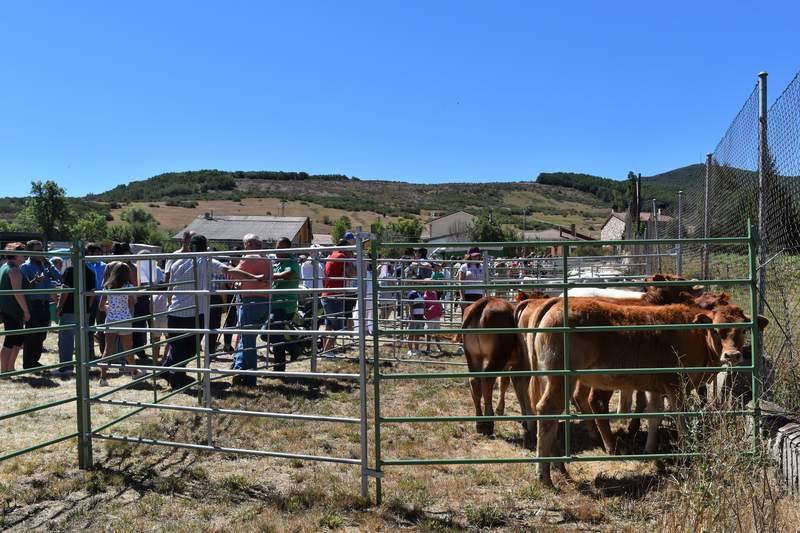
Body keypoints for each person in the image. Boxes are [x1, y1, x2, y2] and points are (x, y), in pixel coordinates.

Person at [166, 234, 263, 389]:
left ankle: (175, 375)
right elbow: (229, 270)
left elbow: (170, 288)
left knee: (179, 348)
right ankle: (169, 372)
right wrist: (254, 277)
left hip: (174, 312)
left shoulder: (177, 262)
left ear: (190, 246)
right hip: (191, 314)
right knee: (189, 350)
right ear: (206, 247)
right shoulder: (206, 261)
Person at [230, 234, 272, 387]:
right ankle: (239, 369)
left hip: (251, 301)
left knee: (248, 341)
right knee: (248, 338)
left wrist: (236, 279)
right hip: (265, 301)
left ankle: (250, 378)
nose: (244, 247)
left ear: (248, 244)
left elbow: (234, 273)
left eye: (244, 244)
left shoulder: (248, 257)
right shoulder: (266, 258)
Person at [20, 240, 61, 370]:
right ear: (30, 252)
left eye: (42, 250)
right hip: (33, 303)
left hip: (45, 303)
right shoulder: (25, 267)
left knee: (42, 334)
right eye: (38, 251)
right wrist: (35, 281)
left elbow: (58, 277)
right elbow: (24, 287)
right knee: (32, 334)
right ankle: (28, 363)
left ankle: (35, 361)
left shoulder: (45, 265)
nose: (41, 253)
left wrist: (49, 264)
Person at [262, 237, 300, 371]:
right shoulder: (277, 263)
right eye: (277, 247)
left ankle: (279, 369)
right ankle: (294, 346)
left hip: (285, 305)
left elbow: (288, 274)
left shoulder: (291, 262)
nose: (278, 250)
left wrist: (271, 276)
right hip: (274, 304)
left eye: (281, 247)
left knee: (271, 334)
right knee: (271, 334)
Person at [98, 262, 140, 386]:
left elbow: (101, 306)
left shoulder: (107, 287)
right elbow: (132, 303)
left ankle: (103, 377)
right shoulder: (128, 287)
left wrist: (109, 308)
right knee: (128, 348)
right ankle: (134, 372)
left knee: (108, 349)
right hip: (124, 320)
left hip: (110, 320)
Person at [54, 259, 96, 376]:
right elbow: (92, 294)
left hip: (69, 310)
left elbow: (66, 290)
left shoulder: (70, 271)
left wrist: (59, 305)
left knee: (66, 339)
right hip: (85, 311)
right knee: (83, 339)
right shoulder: (90, 272)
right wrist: (87, 307)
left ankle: (66, 367)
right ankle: (84, 366)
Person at [321, 239, 356, 355]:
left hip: (327, 294)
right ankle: (327, 351)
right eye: (350, 249)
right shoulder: (341, 256)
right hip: (335, 296)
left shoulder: (332, 255)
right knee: (337, 326)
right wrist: (353, 260)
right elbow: (352, 273)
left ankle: (326, 350)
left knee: (329, 325)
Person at [0, 243, 31, 373]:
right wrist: (26, 311)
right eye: (23, 253)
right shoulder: (14, 270)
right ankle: (5, 370)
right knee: (11, 339)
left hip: (8, 309)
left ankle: (9, 368)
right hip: (13, 310)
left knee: (17, 338)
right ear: (17, 255)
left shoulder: (4, 267)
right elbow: (18, 293)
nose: (26, 256)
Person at [85, 243, 107, 357]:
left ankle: (105, 352)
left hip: (101, 298)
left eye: (100, 253)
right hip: (88, 298)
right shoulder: (84, 264)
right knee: (88, 327)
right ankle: (89, 353)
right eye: (97, 253)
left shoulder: (104, 265)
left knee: (103, 327)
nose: (99, 255)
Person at [423, 286, 444, 354]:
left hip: (436, 315)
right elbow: (424, 309)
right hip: (430, 317)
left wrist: (440, 310)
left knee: (437, 332)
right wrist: (428, 310)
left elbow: (437, 303)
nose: (432, 286)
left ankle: (438, 347)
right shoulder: (424, 297)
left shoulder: (434, 293)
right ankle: (428, 348)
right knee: (429, 333)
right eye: (430, 284)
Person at [405, 287, 425, 356]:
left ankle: (416, 349)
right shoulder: (412, 294)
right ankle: (410, 350)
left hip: (420, 317)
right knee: (411, 334)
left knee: (417, 334)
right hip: (414, 317)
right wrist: (412, 318)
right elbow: (410, 306)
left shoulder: (421, 294)